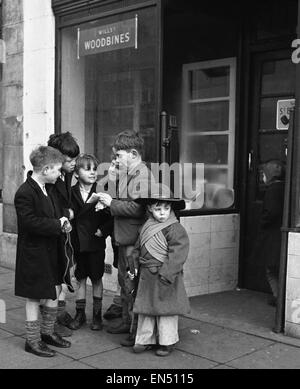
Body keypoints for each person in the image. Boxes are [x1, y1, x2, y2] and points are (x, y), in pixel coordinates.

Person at [97, 130, 155, 347]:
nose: (116, 159)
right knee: (125, 282)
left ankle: (136, 331)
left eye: (119, 155)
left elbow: (138, 208)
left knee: (132, 285)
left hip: (133, 240)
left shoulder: (142, 175)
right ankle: (127, 322)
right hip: (125, 238)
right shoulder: (130, 173)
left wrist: (110, 203)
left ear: (133, 153)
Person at [14, 146, 72, 357]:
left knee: (54, 290)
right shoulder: (25, 192)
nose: (60, 174)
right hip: (34, 254)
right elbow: (30, 223)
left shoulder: (50, 187)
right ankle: (32, 340)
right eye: (57, 170)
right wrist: (57, 224)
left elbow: (57, 212)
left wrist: (63, 219)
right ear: (46, 169)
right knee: (34, 297)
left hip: (51, 250)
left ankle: (47, 333)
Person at [128, 183, 190, 357]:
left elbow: (178, 253)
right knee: (146, 309)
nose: (163, 212)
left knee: (166, 311)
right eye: (158, 209)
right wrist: (132, 264)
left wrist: (167, 273)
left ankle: (167, 341)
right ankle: (144, 340)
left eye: (166, 208)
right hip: (147, 274)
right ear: (149, 208)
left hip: (165, 275)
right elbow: (138, 247)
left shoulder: (176, 228)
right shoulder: (147, 226)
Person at [67, 154, 111, 331]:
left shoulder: (103, 191)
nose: (92, 172)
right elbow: (69, 215)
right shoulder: (71, 193)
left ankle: (97, 316)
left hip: (95, 242)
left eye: (94, 169)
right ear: (77, 174)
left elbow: (112, 216)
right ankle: (80, 314)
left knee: (97, 278)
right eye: (87, 169)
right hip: (78, 242)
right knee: (80, 278)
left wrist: (104, 230)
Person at [47, 132, 80, 336]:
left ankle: (58, 313)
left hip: (62, 232)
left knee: (61, 275)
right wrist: (68, 213)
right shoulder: (51, 178)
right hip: (53, 232)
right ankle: (51, 322)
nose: (74, 163)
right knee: (53, 280)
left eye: (75, 158)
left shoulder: (66, 175)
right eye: (69, 160)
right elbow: (51, 207)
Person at [96, 156, 122, 321]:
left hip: (128, 233)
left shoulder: (133, 184)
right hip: (116, 234)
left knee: (128, 270)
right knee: (120, 265)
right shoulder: (108, 183)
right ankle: (119, 302)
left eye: (117, 166)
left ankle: (121, 303)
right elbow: (107, 212)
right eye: (112, 164)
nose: (113, 168)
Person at [260, 159, 285, 307]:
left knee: (271, 269)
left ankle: (278, 297)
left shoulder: (273, 190)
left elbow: (270, 213)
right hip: (279, 234)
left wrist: (262, 222)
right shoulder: (285, 187)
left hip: (272, 235)